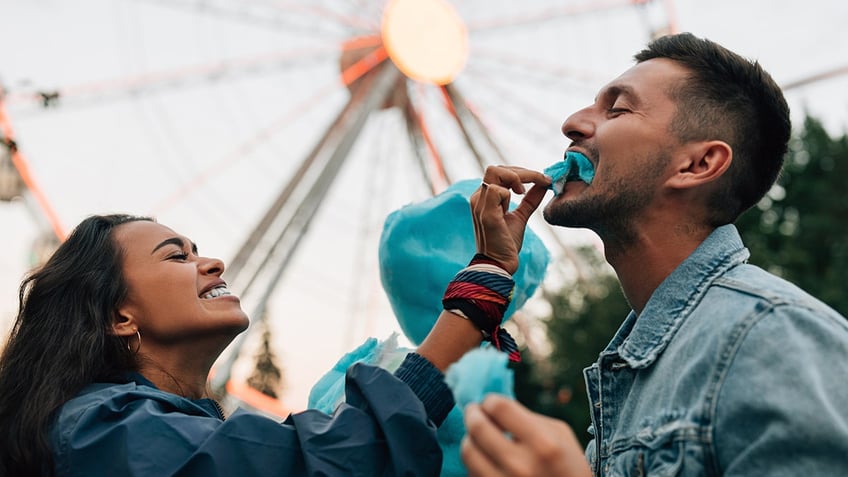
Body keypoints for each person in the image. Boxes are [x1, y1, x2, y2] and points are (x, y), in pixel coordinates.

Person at [459, 32, 848, 476]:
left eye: (618, 108)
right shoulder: (633, 365)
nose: (572, 123)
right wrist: (489, 269)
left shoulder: (771, 338)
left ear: (697, 165)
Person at [0, 200, 542, 475]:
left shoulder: (145, 428)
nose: (212, 262)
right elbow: (323, 465)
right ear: (119, 317)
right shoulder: (104, 431)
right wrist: (480, 290)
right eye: (176, 256)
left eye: (198, 249)